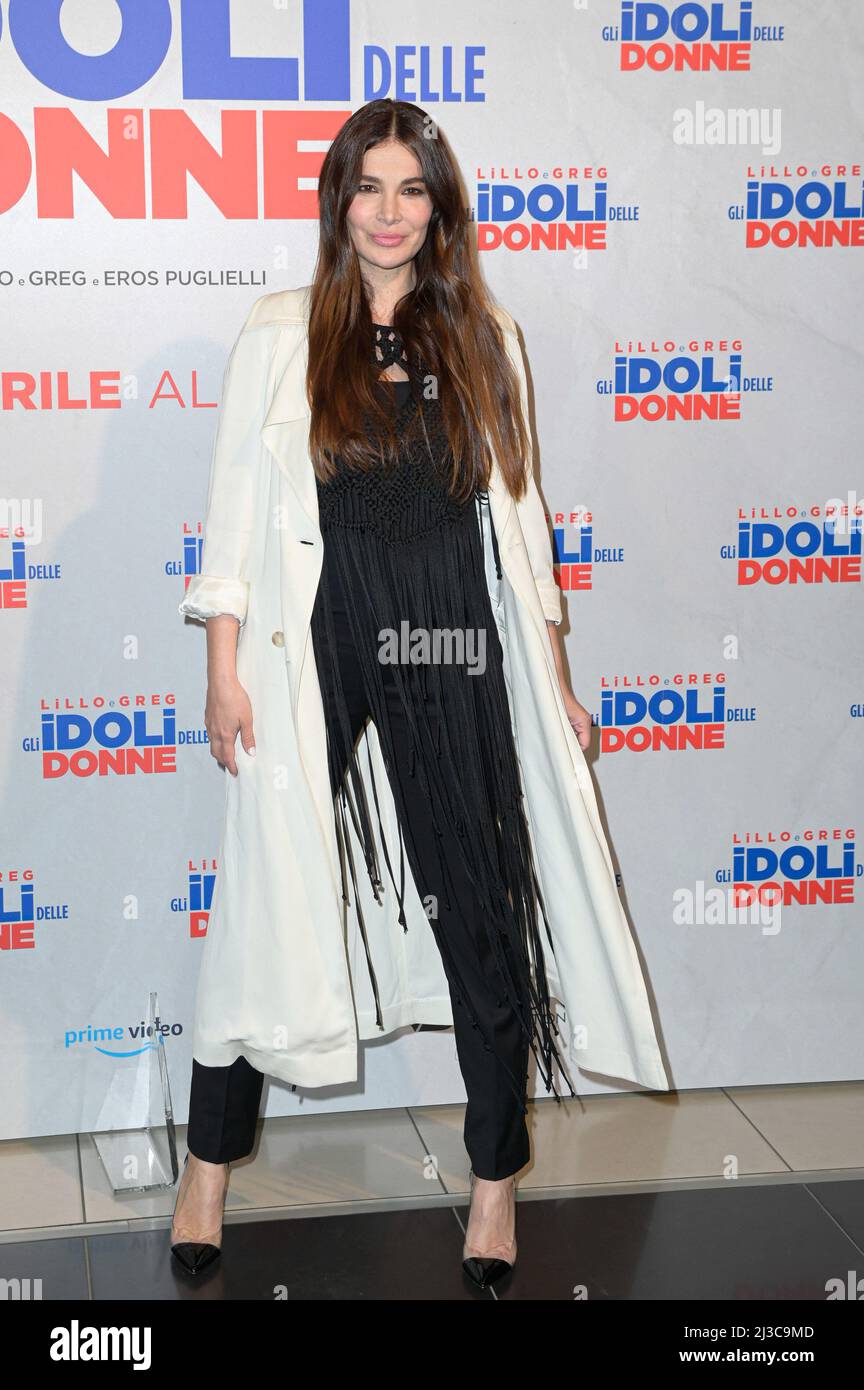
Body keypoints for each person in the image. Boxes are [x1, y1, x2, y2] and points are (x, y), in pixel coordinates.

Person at [171, 98, 603, 1288]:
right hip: (320, 637)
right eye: (370, 187)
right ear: (339, 201)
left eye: (413, 190)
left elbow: (521, 520)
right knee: (262, 897)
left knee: (480, 909)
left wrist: (555, 682)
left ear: (438, 205)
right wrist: (222, 666)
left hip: (450, 638)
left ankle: (494, 1186)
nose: (391, 212)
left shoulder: (485, 335)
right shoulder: (278, 332)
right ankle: (206, 1170)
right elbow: (232, 519)